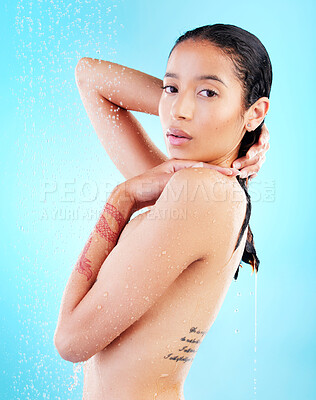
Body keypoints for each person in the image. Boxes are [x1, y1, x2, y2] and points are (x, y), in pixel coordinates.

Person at [54, 23, 272, 399]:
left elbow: (71, 342)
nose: (178, 111)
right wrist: (238, 119)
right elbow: (90, 76)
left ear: (256, 111)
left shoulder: (199, 193)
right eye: (171, 89)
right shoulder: (199, 185)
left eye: (207, 92)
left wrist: (122, 199)